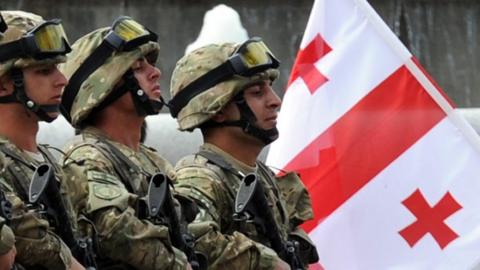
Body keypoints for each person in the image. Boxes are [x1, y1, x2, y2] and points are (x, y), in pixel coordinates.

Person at [168, 39, 319, 269]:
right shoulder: (199, 178)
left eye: (269, 87)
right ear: (217, 110)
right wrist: (266, 263)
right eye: (257, 92)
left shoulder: (260, 174)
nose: (275, 101)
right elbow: (192, 242)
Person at [59, 16, 191, 270]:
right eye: (138, 67)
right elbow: (115, 233)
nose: (156, 73)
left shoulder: (152, 160)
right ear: (104, 86)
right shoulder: (86, 157)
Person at [0, 10, 86, 270]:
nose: (62, 80)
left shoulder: (50, 159)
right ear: (3, 84)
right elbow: (26, 236)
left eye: (58, 68)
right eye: (44, 71)